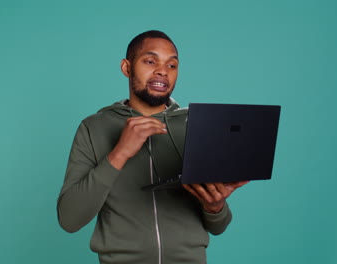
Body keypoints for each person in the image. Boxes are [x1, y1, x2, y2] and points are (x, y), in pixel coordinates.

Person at [57, 30, 248, 264]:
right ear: (127, 68)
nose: (162, 71)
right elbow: (69, 219)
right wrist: (120, 153)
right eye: (150, 61)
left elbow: (218, 227)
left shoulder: (196, 126)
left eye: (172, 65)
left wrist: (215, 206)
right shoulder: (94, 127)